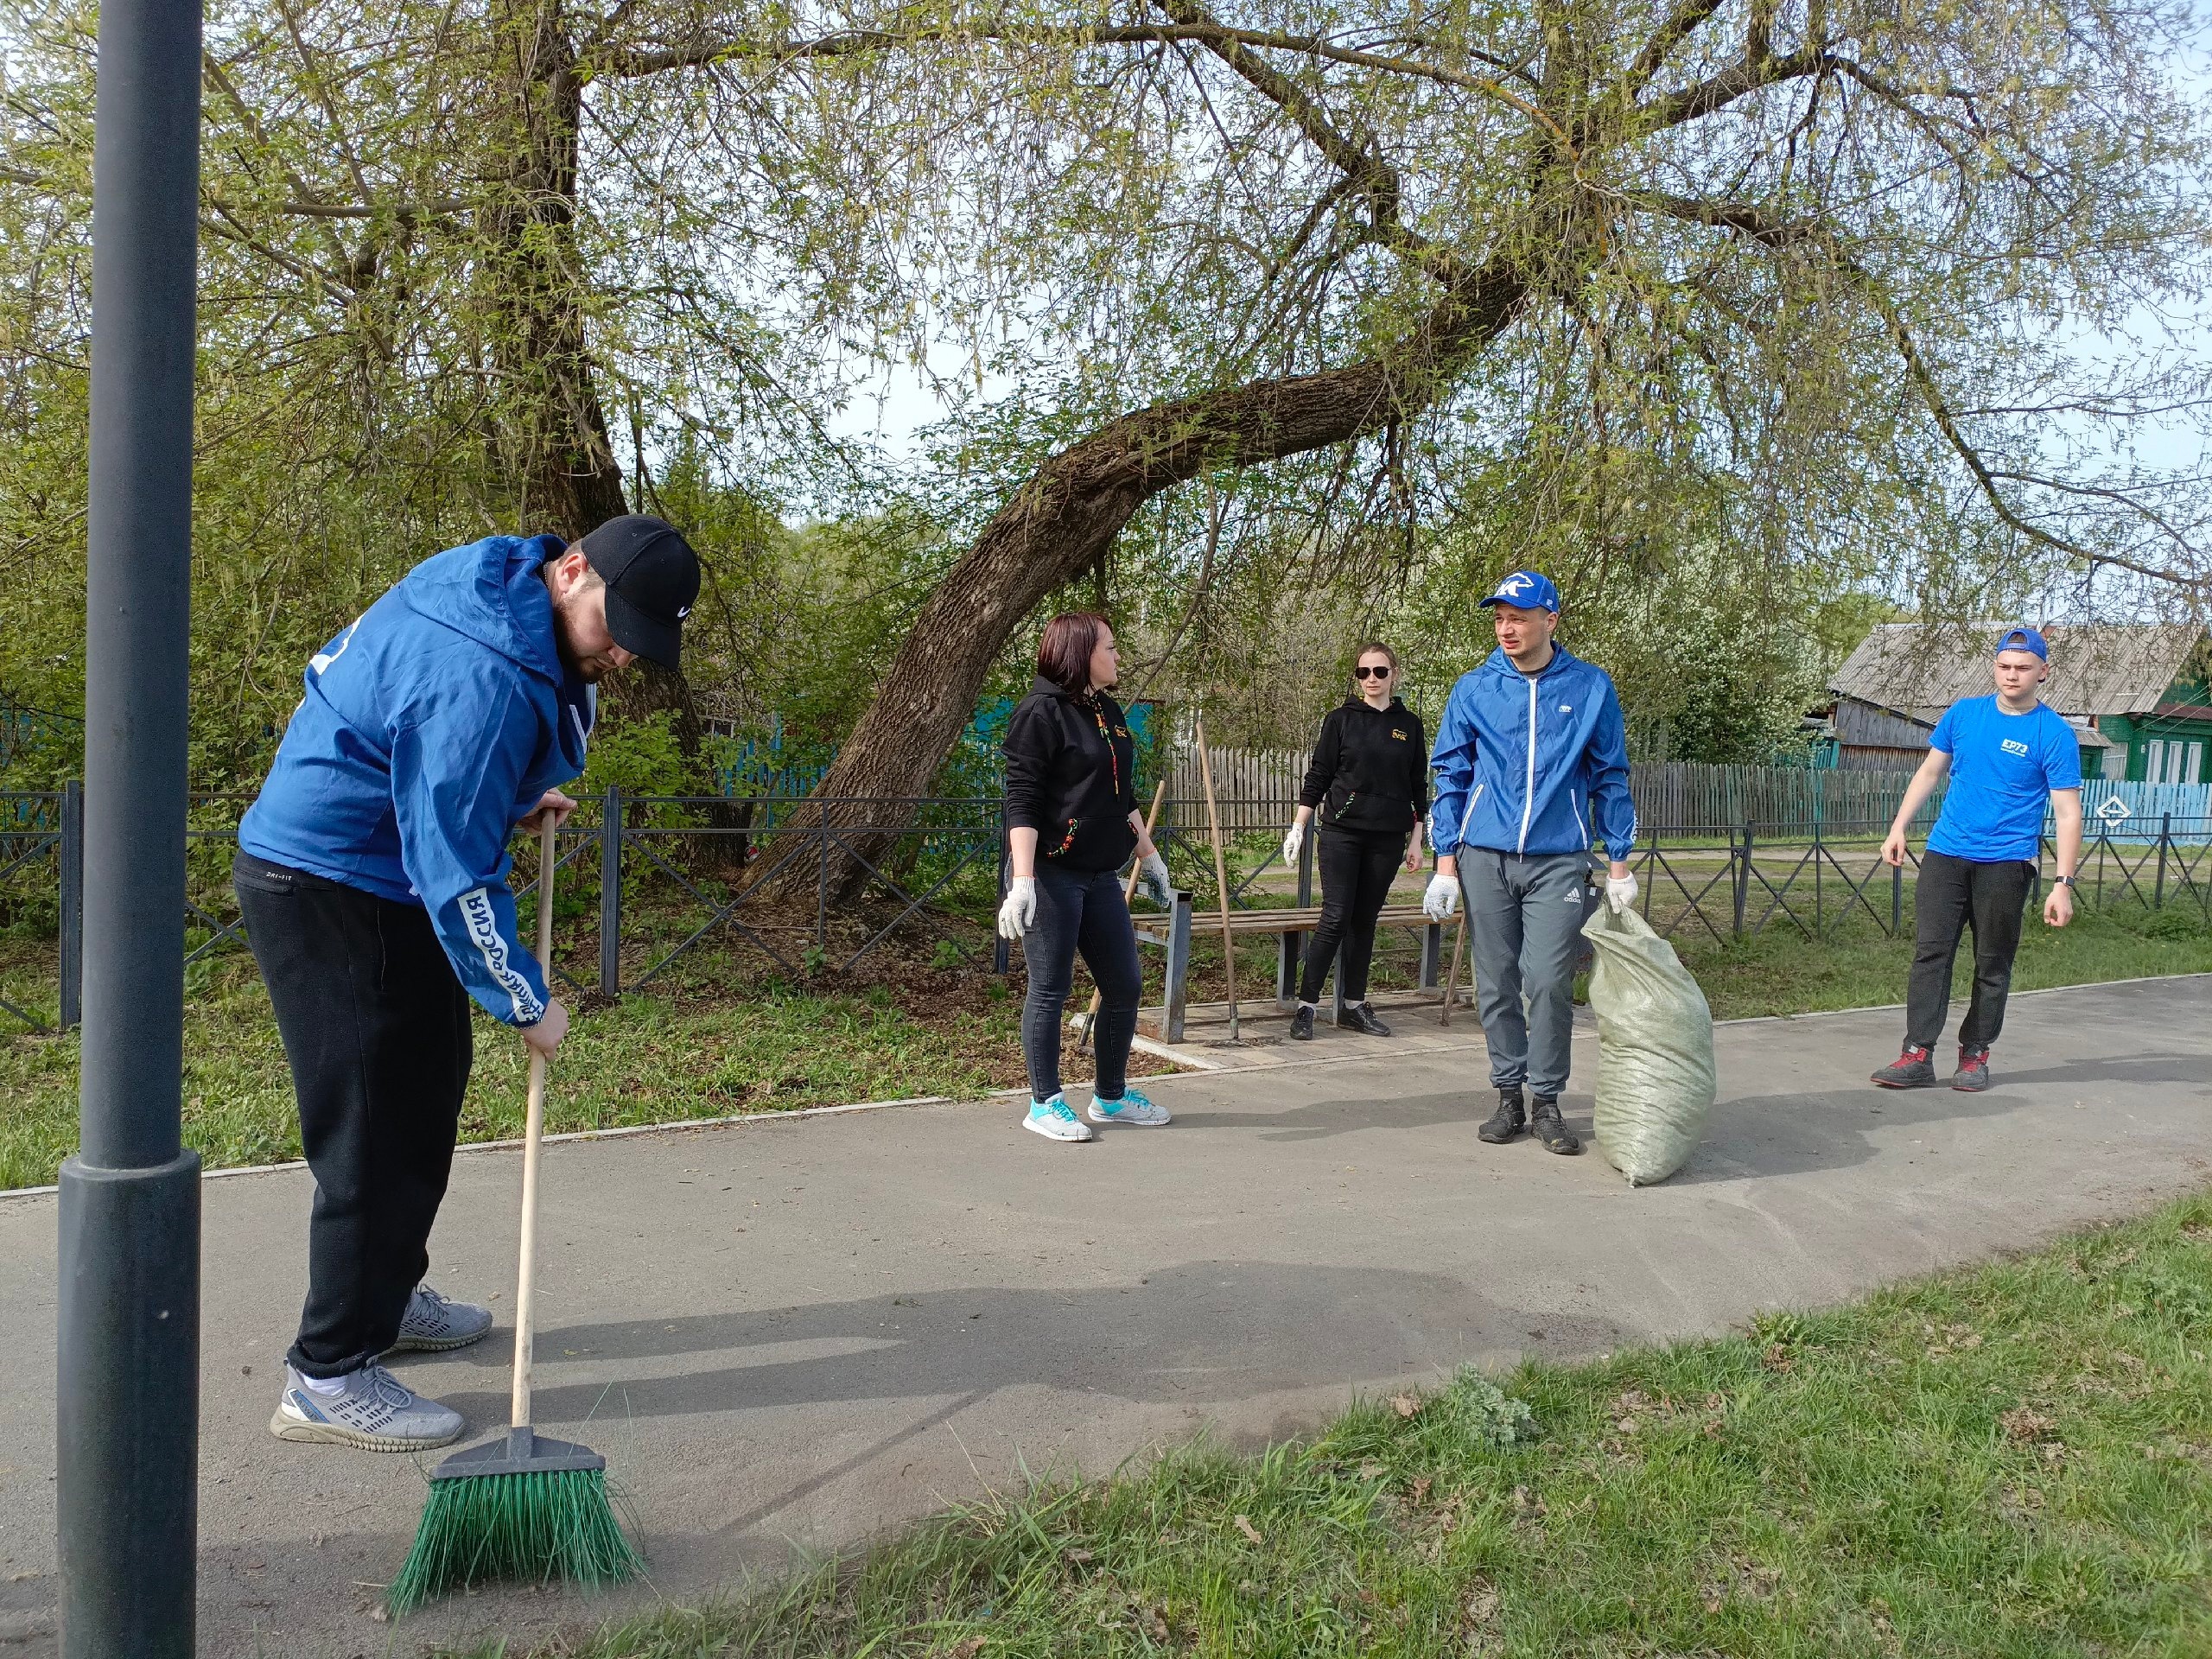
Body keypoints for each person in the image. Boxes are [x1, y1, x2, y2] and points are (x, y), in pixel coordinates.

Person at [234, 515, 700, 1450]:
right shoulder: (481, 670)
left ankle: (387, 1297)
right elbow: (454, 868)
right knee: (373, 1126)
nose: (622, 656)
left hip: (383, 867)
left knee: (427, 1091)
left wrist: (505, 792)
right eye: (618, 628)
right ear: (573, 572)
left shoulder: (508, 585)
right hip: (333, 882)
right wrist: (525, 999)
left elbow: (412, 735)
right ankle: (326, 1373)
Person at [1422, 569, 1637, 1155]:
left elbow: (1610, 776)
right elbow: (1452, 776)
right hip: (1484, 856)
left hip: (1559, 859)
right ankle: (1508, 1095)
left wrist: (1620, 862)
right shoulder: (1474, 688)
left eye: (1518, 617)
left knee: (1545, 979)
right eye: (1499, 617)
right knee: (1494, 981)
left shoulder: (1591, 687)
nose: (1507, 628)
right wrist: (1445, 864)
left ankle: (1547, 1101)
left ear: (1551, 619)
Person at [1871, 625, 2082, 1092]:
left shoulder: (2054, 733)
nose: (2012, 675)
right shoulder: (1964, 715)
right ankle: (1917, 1054)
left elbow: (2068, 813)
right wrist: (1898, 826)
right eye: (2004, 666)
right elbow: (1930, 771)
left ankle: (1974, 1056)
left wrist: (2062, 883)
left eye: (2023, 668)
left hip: (2007, 863)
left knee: (1992, 963)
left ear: (2042, 672)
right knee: (1931, 954)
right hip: (1946, 853)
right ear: (1995, 667)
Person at [998, 612, 1175, 1143]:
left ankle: (1111, 1097)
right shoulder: (1040, 713)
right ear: (1081, 653)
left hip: (1098, 873)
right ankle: (1044, 1101)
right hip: (1050, 872)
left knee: (1124, 983)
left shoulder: (1107, 709)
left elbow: (1121, 798)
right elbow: (1022, 800)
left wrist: (1151, 855)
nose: (1118, 656)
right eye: (1111, 648)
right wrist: (1022, 880)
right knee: (1050, 988)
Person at [1281, 642, 1428, 1040]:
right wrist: (1298, 825)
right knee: (1335, 918)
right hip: (1342, 833)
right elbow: (1320, 775)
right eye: (1364, 673)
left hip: (1388, 837)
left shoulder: (1410, 726)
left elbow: (1418, 787)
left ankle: (1352, 1006)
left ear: (1393, 674)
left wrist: (1417, 839)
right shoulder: (1341, 720)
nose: (1372, 680)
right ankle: (1306, 1007)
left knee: (1365, 921)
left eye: (1380, 672)